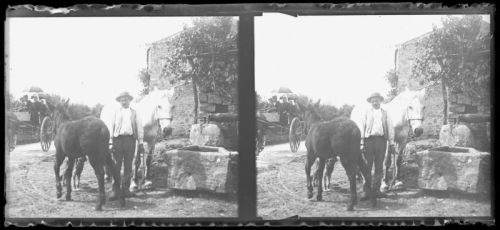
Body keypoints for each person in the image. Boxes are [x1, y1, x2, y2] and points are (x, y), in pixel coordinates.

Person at [108, 91, 144, 200]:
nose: (123, 101)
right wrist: (110, 142)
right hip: (117, 140)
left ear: (129, 100)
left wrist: (141, 142)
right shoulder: (115, 112)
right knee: (116, 165)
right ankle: (115, 190)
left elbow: (139, 127)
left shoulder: (134, 112)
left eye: (125, 99)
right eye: (121, 100)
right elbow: (111, 126)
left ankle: (126, 189)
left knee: (128, 165)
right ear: (119, 101)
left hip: (130, 140)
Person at [359, 92, 394, 200]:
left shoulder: (385, 113)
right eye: (373, 100)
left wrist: (391, 142)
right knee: (367, 166)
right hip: (369, 141)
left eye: (377, 100)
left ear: (380, 101)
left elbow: (390, 127)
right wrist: (361, 142)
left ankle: (376, 190)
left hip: (381, 141)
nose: (375, 102)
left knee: (379, 166)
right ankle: (366, 191)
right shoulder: (366, 113)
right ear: (370, 102)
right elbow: (362, 127)